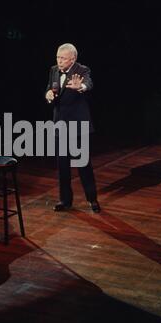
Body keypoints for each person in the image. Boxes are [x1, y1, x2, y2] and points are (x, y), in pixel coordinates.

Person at [45, 43, 101, 213]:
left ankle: (92, 199)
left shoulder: (82, 70)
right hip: (60, 125)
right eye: (57, 57)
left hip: (78, 127)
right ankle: (65, 200)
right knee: (62, 166)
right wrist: (47, 94)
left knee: (84, 165)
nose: (59, 61)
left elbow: (88, 84)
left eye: (63, 58)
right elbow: (50, 87)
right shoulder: (54, 70)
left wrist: (81, 87)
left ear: (73, 59)